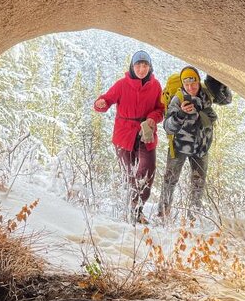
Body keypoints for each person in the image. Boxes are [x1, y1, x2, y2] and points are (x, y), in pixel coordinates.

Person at [94, 51, 164, 223]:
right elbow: (106, 100)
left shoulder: (155, 86)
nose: (142, 69)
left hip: (145, 132)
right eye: (138, 65)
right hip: (124, 134)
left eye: (145, 65)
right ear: (132, 67)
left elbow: (161, 109)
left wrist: (151, 119)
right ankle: (132, 211)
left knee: (148, 169)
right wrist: (100, 103)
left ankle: (138, 206)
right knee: (128, 174)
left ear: (150, 67)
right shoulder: (122, 84)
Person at [158, 66, 232, 221]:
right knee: (170, 180)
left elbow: (226, 100)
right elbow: (168, 127)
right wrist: (180, 114)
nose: (190, 87)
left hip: (201, 148)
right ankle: (162, 215)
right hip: (179, 147)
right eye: (187, 84)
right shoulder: (178, 99)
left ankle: (193, 218)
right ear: (183, 84)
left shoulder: (206, 94)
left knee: (198, 184)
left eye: (194, 83)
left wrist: (222, 82)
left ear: (199, 82)